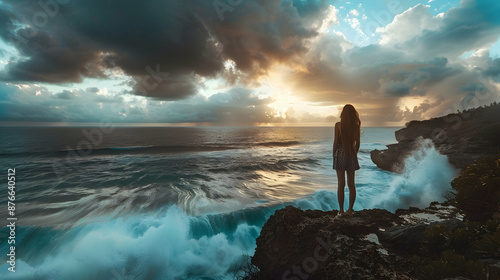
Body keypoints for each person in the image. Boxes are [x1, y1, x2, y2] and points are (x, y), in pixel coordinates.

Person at [333, 104, 361, 216]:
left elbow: (335, 142)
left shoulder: (338, 125)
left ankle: (341, 210)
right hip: (351, 154)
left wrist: (333, 154)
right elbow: (358, 142)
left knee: (341, 184)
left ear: (343, 113)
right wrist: (355, 153)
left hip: (340, 154)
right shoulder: (356, 125)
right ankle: (350, 210)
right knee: (351, 184)